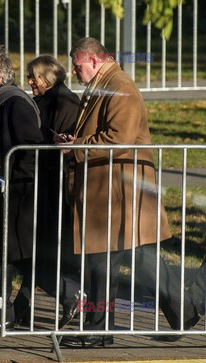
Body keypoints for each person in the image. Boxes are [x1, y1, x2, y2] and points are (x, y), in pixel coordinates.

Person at [57, 37, 205, 348]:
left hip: (119, 191)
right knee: (130, 259)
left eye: (77, 65)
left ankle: (100, 328)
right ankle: (181, 309)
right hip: (113, 190)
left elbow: (118, 138)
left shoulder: (119, 85)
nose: (73, 72)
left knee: (110, 260)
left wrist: (76, 147)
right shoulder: (107, 82)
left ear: (95, 60)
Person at [0, 45, 44, 333]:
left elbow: (31, 149)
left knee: (16, 259)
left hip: (12, 196)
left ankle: (71, 293)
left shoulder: (14, 103)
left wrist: (12, 184)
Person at [13, 55, 85, 329]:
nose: (29, 82)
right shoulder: (45, 100)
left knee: (39, 250)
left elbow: (60, 142)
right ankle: (23, 305)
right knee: (33, 249)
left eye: (33, 77)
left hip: (55, 186)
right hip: (42, 183)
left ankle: (70, 295)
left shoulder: (64, 101)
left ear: (47, 78)